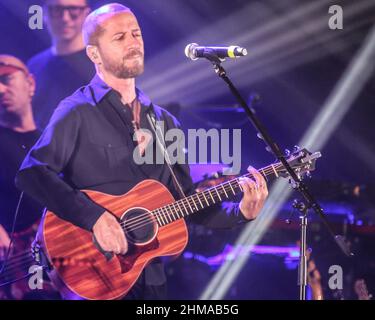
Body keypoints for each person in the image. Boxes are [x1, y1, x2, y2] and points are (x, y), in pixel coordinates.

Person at [16, 3, 269, 300]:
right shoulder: (77, 111)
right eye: (119, 37)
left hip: (150, 280)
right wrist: (95, 218)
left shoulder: (164, 122)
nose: (133, 42)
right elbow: (32, 173)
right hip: (93, 274)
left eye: (136, 34)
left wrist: (240, 212)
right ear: (94, 53)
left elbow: (186, 202)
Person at [0, 55, 58, 299]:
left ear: (30, 84)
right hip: (10, 272)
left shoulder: (53, 142)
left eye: (7, 79)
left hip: (57, 271)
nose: (0, 89)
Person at [28, 0, 94, 129]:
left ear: (87, 13)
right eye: (57, 10)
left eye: (73, 10)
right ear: (45, 13)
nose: (65, 18)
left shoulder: (105, 60)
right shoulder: (34, 66)